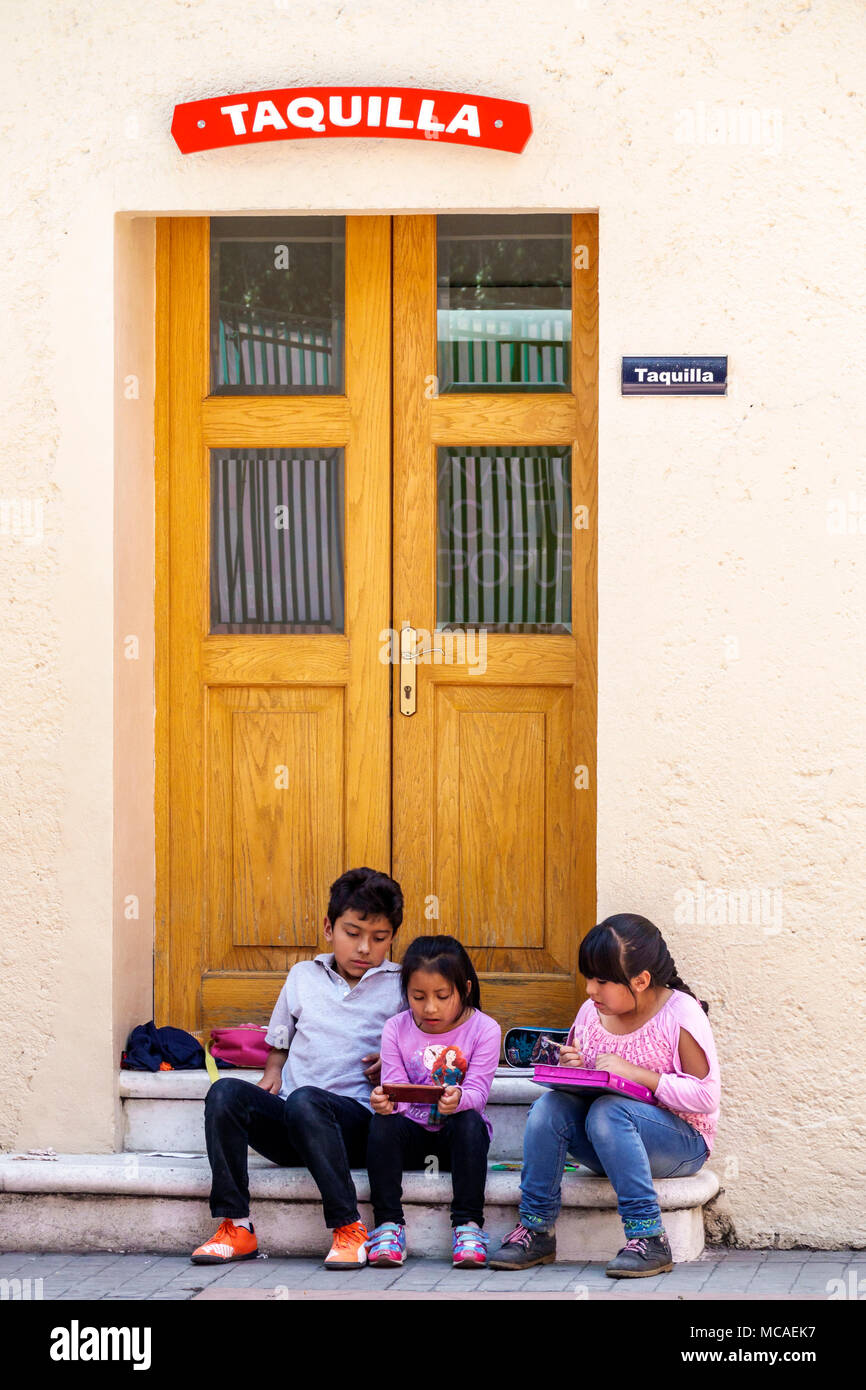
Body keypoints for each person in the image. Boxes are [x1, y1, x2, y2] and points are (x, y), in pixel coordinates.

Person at [190, 867, 404, 1271]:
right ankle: (236, 1225)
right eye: (352, 933)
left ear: (392, 938)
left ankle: (348, 1228)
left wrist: (392, 1064)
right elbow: (281, 1035)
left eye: (379, 939)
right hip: (291, 1123)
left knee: (307, 1100)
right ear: (328, 927)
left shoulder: (398, 985)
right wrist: (273, 1071)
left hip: (354, 1125)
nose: (364, 948)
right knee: (225, 1093)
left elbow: (417, 1045)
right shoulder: (302, 976)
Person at [490, 913, 720, 1278]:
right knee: (550, 1107)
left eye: (601, 981)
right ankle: (536, 1229)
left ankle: (649, 1236)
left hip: (680, 1143)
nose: (589, 991)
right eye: (588, 979)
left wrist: (636, 1074)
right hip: (611, 1140)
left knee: (609, 1112)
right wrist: (574, 1069)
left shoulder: (680, 1015)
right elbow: (591, 1085)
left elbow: (706, 1097)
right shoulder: (590, 1013)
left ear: (641, 980)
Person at [365, 935, 502, 1269]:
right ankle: (388, 1226)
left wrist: (459, 1099)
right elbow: (393, 1087)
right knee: (381, 1123)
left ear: (465, 988)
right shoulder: (395, 1028)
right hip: (412, 1135)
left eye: (442, 996)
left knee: (470, 1122)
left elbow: (478, 1095)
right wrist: (385, 1101)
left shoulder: (484, 1029)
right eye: (418, 996)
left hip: (457, 1139)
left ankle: (468, 1227)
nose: (430, 1008)